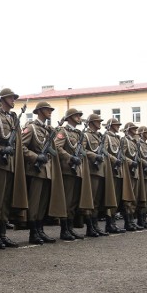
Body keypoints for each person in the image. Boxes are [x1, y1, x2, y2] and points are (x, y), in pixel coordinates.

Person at [0, 88, 29, 249]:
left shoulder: (13, 118)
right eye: (10, 98)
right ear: (2, 99)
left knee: (6, 201)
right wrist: (0, 150)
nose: (13, 100)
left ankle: (3, 234)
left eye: (14, 98)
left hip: (11, 163)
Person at [21, 102, 67, 244]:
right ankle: (33, 232)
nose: (50, 111)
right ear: (40, 111)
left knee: (42, 203)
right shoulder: (31, 128)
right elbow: (21, 146)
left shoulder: (48, 130)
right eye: (48, 109)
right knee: (34, 203)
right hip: (35, 170)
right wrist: (35, 157)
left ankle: (40, 230)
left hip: (47, 170)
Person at [54, 108, 94, 240]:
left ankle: (70, 228)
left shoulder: (78, 134)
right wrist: (70, 158)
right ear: (70, 117)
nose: (79, 117)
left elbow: (81, 150)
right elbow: (57, 147)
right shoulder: (63, 131)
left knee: (73, 202)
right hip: (67, 170)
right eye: (77, 115)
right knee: (67, 200)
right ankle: (64, 229)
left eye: (79, 115)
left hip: (77, 170)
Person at [82, 114, 117, 237]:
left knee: (97, 201)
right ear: (91, 122)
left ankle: (95, 225)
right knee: (90, 200)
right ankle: (90, 227)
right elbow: (82, 150)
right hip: (92, 171)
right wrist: (94, 156)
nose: (99, 123)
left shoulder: (100, 136)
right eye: (97, 121)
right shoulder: (86, 135)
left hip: (101, 170)